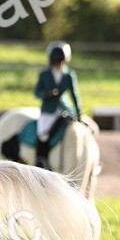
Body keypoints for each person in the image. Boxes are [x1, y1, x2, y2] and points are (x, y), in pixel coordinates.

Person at [33, 41, 83, 169]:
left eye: (61, 61)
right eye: (57, 62)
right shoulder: (44, 74)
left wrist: (78, 111)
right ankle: (41, 158)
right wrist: (47, 94)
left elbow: (74, 93)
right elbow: (37, 92)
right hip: (49, 110)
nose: (58, 64)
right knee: (42, 133)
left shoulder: (69, 75)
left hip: (65, 109)